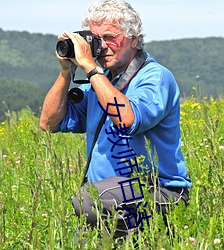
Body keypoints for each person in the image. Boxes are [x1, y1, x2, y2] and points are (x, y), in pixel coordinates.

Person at [40, 0, 192, 245]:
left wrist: (90, 68)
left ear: (133, 38)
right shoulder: (99, 83)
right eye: (96, 39)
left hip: (158, 192)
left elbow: (126, 120)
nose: (102, 47)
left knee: (87, 200)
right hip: (111, 200)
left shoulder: (154, 77)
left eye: (110, 37)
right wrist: (66, 70)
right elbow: (49, 122)